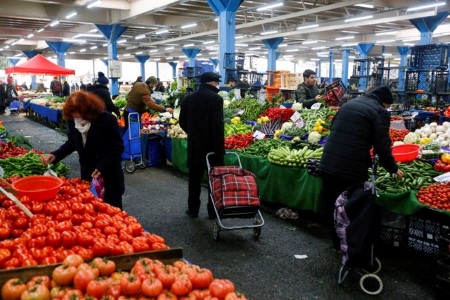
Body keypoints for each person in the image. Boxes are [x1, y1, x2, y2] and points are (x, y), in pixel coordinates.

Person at [318, 85, 404, 248]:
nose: (387, 108)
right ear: (384, 103)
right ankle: (352, 248)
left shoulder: (348, 104)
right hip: (350, 167)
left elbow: (334, 128)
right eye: (388, 106)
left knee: (332, 205)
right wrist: (393, 168)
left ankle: (337, 245)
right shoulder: (380, 112)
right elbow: (382, 147)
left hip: (328, 161)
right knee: (352, 207)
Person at [41, 91, 125, 209]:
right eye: (75, 116)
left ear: (89, 111)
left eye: (80, 115)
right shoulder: (72, 121)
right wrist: (56, 155)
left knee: (112, 212)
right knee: (91, 211)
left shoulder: (107, 120)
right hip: (88, 174)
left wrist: (102, 167)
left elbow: (117, 148)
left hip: (109, 175)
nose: (78, 119)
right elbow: (72, 142)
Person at [179, 72, 225, 219]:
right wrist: (219, 150)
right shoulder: (216, 99)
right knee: (214, 181)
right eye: (216, 82)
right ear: (211, 83)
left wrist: (193, 134)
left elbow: (182, 121)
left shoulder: (188, 98)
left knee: (194, 180)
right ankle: (212, 212)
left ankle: (193, 210)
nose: (217, 85)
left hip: (195, 146)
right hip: (212, 147)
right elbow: (217, 126)